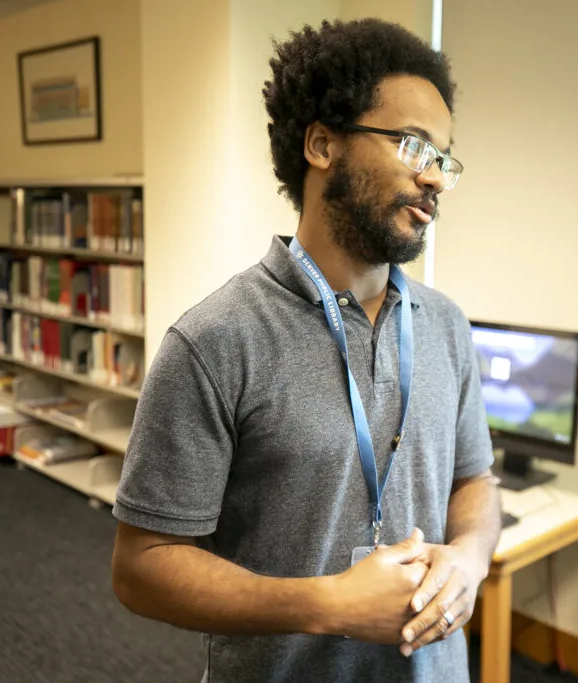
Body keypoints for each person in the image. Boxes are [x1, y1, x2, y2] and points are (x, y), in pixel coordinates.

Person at [110, 17, 501, 683]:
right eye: (413, 146)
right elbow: (143, 564)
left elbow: (476, 482)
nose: (434, 178)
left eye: (443, 158)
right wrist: (327, 603)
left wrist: (469, 555)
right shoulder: (215, 340)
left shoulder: (446, 326)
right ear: (322, 144)